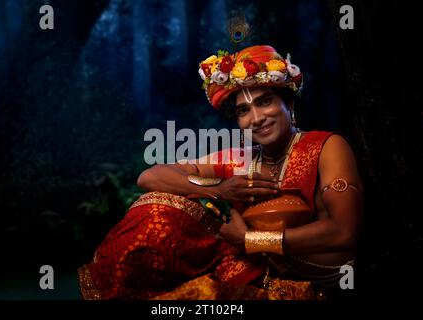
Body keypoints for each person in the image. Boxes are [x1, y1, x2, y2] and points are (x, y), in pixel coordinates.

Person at [78, 45, 362, 300]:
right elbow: (150, 177)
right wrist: (217, 189)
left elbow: (344, 232)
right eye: (243, 111)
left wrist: (250, 240)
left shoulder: (326, 146)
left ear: (288, 104)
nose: (256, 118)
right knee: (155, 207)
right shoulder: (241, 159)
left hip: (324, 285)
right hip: (265, 277)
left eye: (265, 102)